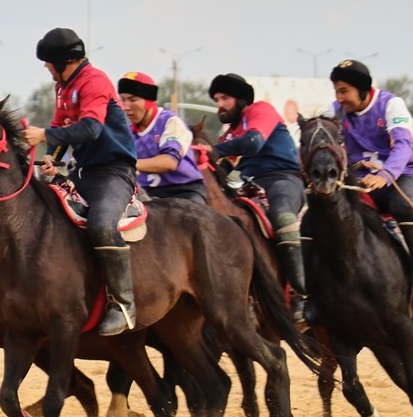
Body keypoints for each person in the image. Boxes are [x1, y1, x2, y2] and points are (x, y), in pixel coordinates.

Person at [23, 28, 138, 336]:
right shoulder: (64, 87)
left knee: (101, 225)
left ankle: (123, 304)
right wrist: (54, 158)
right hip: (82, 171)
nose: (46, 68)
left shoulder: (95, 81)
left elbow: (90, 129)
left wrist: (45, 136)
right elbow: (61, 126)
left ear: (64, 61)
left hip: (114, 172)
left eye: (49, 62)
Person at [327, 59, 413, 309]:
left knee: (405, 207)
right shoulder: (335, 110)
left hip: (400, 175)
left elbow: (402, 146)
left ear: (364, 89)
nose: (339, 98)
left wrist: (385, 176)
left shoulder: (391, 104)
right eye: (337, 91)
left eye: (344, 91)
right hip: (359, 181)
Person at [208, 72, 309, 324]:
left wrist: (213, 150)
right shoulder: (227, 134)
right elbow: (226, 169)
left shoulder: (260, 110)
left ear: (242, 100)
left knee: (283, 216)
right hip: (246, 184)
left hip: (282, 179)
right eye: (216, 99)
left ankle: (301, 295)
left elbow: (253, 143)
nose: (219, 104)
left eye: (225, 98)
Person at [117, 71, 206, 204]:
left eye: (133, 100)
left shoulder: (171, 122)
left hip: (184, 191)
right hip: (146, 193)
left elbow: (169, 162)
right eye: (123, 100)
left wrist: (126, 164)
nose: (126, 106)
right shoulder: (127, 133)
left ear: (148, 101)